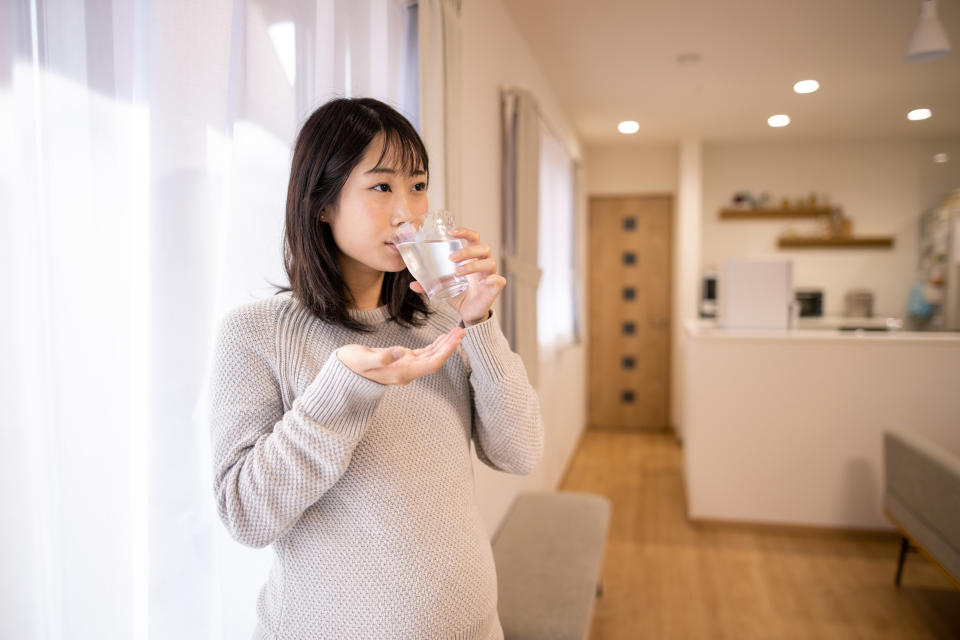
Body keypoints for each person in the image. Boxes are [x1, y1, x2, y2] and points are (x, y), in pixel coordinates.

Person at [208, 97, 544, 640]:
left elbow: (520, 451)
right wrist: (343, 387)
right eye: (382, 186)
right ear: (321, 203)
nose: (408, 211)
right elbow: (247, 514)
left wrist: (478, 319)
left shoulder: (441, 322)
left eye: (418, 185)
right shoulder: (255, 334)